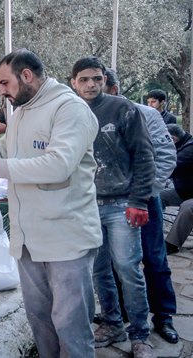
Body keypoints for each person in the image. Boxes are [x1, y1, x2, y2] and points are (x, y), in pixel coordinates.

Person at [0, 49, 102, 357]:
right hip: (28, 240)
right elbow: (1, 153)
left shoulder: (70, 110)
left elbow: (58, 165)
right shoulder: (21, 112)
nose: (1, 91)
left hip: (66, 239)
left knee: (70, 325)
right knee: (40, 319)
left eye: (4, 83)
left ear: (26, 76)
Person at [71, 56, 155, 358]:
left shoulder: (123, 109)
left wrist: (138, 200)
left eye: (96, 78)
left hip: (121, 204)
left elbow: (145, 157)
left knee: (129, 269)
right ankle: (112, 324)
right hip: (86, 205)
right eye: (84, 79)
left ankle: (140, 335)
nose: (91, 84)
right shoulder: (71, 112)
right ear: (73, 83)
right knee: (98, 270)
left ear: (105, 80)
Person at [103, 69, 179, 344]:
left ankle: (163, 316)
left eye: (98, 85)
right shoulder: (91, 116)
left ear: (112, 88)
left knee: (154, 259)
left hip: (143, 201)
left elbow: (165, 156)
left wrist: (143, 195)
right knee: (115, 261)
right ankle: (123, 312)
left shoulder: (146, 114)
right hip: (109, 204)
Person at [160, 123, 193, 209]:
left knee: (156, 197)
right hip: (182, 186)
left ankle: (156, 222)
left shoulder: (188, 151)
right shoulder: (187, 145)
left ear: (173, 139)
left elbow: (167, 169)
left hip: (186, 193)